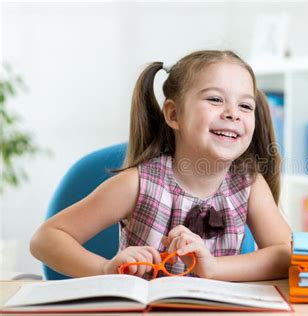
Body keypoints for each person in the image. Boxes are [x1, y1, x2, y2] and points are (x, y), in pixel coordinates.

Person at [30, 50, 292, 281]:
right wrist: (105, 269)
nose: (233, 113)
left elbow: (288, 253)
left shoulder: (248, 185)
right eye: (215, 99)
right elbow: (45, 239)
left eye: (245, 105)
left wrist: (213, 268)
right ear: (174, 114)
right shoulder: (138, 183)